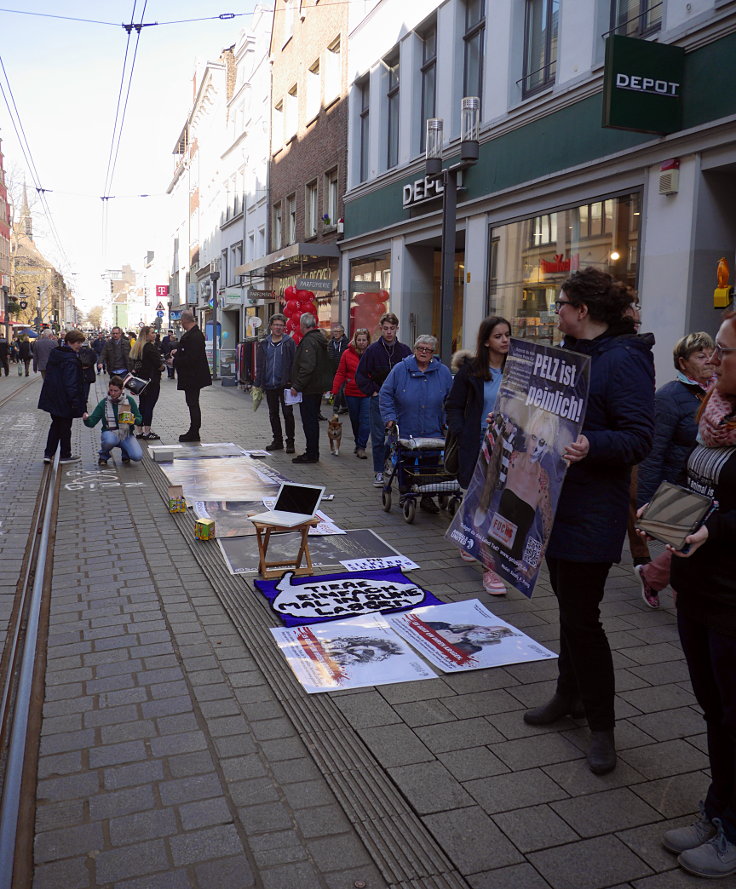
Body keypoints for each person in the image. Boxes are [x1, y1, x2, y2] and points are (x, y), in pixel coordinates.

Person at [523, 267, 654, 777]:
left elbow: (639, 437)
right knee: (570, 610)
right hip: (556, 501)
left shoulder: (623, 361)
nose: (555, 311)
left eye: (560, 304)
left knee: (584, 617)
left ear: (582, 310)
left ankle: (603, 726)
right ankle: (567, 695)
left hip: (592, 510)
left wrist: (591, 445)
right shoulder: (574, 356)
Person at [653, 313, 736, 878]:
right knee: (713, 709)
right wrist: (663, 527)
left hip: (734, 596)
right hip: (697, 584)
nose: (713, 360)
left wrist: (718, 529)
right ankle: (718, 808)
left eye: (724, 353)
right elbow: (695, 485)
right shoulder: (713, 413)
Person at [635, 331, 715, 608]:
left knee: (697, 544)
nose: (709, 361)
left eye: (711, 354)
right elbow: (653, 453)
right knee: (687, 546)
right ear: (682, 363)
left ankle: (652, 576)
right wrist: (647, 502)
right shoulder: (669, 397)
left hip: (712, 483)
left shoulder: (721, 392)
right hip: (682, 486)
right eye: (700, 356)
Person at [446, 316, 511, 594]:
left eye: (508, 335)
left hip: (508, 450)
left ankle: (470, 540)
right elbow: (453, 406)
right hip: (477, 446)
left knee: (493, 505)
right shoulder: (471, 370)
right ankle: (490, 569)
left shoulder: (518, 371)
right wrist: (462, 431)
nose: (505, 340)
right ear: (486, 341)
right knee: (482, 502)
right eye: (498, 336)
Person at [379, 334, 453, 513]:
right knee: (407, 462)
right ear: (414, 349)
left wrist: (448, 421)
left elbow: (452, 400)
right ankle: (405, 493)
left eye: (428, 350)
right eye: (421, 348)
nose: (424, 352)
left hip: (433, 427)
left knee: (431, 463)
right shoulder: (400, 369)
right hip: (406, 426)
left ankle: (427, 498)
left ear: (433, 353)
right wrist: (389, 417)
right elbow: (385, 393)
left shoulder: (442, 371)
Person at [356, 312, 412, 487]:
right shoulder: (373, 350)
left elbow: (412, 372)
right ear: (381, 328)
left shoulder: (404, 350)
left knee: (396, 436)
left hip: (400, 400)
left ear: (397, 329)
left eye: (392, 328)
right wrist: (372, 391)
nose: (389, 332)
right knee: (378, 436)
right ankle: (378, 472)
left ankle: (389, 459)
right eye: (386, 328)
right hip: (378, 397)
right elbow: (361, 374)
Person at [37, 329, 87, 464]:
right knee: (65, 427)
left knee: (55, 425)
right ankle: (65, 455)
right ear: (70, 342)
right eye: (78, 343)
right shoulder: (70, 359)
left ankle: (48, 453)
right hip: (64, 399)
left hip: (53, 397)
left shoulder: (56, 354)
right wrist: (75, 402)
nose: (80, 345)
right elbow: (70, 383)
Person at [289, 314, 333, 464]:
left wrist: (297, 385)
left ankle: (311, 453)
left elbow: (308, 366)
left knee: (309, 422)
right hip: (316, 387)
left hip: (309, 388)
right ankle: (313, 452)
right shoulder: (320, 339)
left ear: (303, 325)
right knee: (312, 421)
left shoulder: (309, 341)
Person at [256, 313, 296, 453]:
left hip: (285, 384)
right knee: (273, 414)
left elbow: (294, 363)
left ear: (284, 327)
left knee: (288, 414)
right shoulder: (264, 343)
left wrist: (293, 382)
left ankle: (290, 442)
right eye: (276, 325)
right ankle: (277, 440)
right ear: (271, 326)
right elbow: (260, 365)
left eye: (281, 325)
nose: (278, 328)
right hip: (269, 384)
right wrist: (258, 383)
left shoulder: (289, 342)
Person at [84, 376, 143, 465]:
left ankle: (125, 453)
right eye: (111, 390)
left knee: (137, 456)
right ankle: (103, 456)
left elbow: (139, 419)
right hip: (110, 432)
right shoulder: (104, 402)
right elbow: (92, 422)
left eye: (116, 391)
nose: (112, 393)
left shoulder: (129, 401)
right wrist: (86, 418)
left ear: (121, 390)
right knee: (109, 440)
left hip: (126, 434)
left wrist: (132, 419)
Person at [171, 310, 212, 442]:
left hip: (193, 377)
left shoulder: (194, 336)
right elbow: (189, 352)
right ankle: (193, 431)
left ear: (184, 321)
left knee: (193, 403)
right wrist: (178, 351)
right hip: (193, 376)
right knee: (192, 403)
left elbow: (192, 358)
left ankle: (194, 432)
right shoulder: (194, 334)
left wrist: (175, 361)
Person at [332, 328, 371, 459]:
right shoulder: (347, 354)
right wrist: (335, 389)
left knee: (365, 420)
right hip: (351, 392)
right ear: (355, 340)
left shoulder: (372, 353)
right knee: (355, 420)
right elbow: (341, 372)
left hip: (367, 393)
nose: (361, 342)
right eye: (359, 339)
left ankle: (361, 447)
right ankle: (357, 442)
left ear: (368, 341)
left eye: (364, 340)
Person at [130, 325, 164, 440]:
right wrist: (163, 367)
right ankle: (147, 432)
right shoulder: (149, 347)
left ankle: (139, 431)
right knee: (149, 406)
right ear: (146, 335)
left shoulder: (138, 347)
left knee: (142, 405)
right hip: (152, 381)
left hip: (141, 381)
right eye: (152, 333)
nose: (154, 334)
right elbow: (158, 365)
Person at [327, 323, 349, 414]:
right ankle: (345, 406)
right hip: (333, 369)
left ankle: (335, 408)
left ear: (342, 332)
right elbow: (329, 355)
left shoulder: (346, 343)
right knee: (339, 388)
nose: (335, 333)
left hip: (343, 369)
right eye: (334, 331)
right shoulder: (331, 343)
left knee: (339, 388)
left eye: (337, 331)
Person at [77, 340, 98, 407]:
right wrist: (89, 365)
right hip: (89, 371)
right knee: (87, 386)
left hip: (80, 371)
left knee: (80, 385)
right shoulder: (91, 351)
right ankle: (85, 398)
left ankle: (81, 398)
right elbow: (95, 359)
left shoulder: (78, 351)